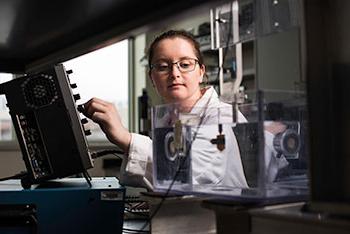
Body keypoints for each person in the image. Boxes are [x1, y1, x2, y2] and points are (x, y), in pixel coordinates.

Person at [83, 30, 286, 190]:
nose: (174, 73)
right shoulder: (169, 120)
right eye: (163, 66)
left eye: (185, 64)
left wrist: (126, 139)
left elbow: (199, 174)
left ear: (201, 72)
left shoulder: (221, 115)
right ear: (152, 77)